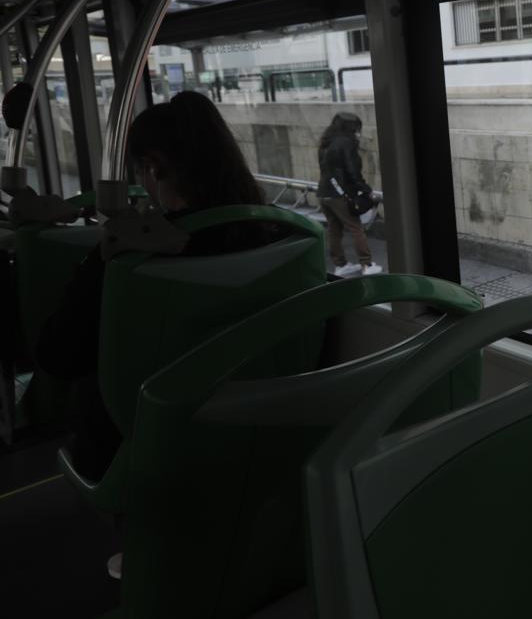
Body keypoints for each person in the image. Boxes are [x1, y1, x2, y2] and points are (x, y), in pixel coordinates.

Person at [35, 91, 277, 577]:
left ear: (154, 167)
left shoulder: (131, 262)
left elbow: (59, 354)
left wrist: (100, 257)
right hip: (262, 425)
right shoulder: (279, 235)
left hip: (145, 444)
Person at [317, 113, 382, 277]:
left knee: (334, 229)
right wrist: (367, 190)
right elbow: (352, 171)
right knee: (356, 227)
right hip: (340, 194)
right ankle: (366, 264)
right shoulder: (346, 143)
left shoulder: (326, 142)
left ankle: (341, 265)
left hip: (324, 193)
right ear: (352, 128)